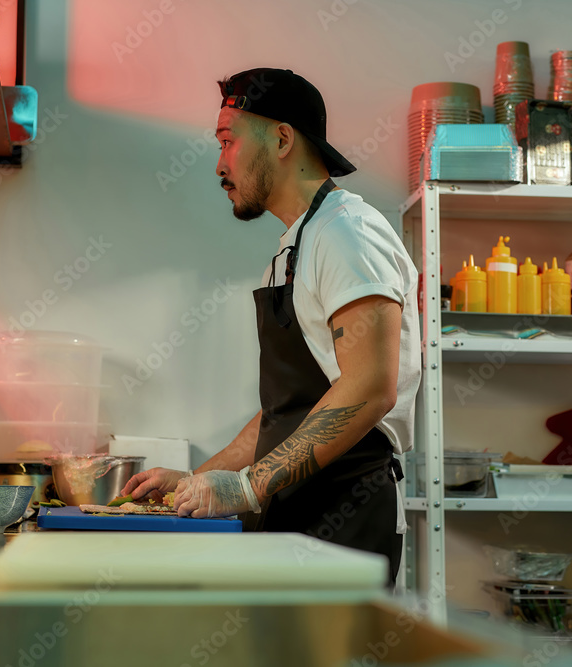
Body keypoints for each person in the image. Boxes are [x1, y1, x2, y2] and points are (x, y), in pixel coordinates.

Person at [121, 68, 421, 584]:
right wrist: (196, 481)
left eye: (228, 141)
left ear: (282, 139)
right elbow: (283, 414)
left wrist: (248, 486)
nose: (220, 165)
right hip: (291, 509)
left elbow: (371, 387)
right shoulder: (293, 249)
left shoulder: (348, 233)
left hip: (344, 514)